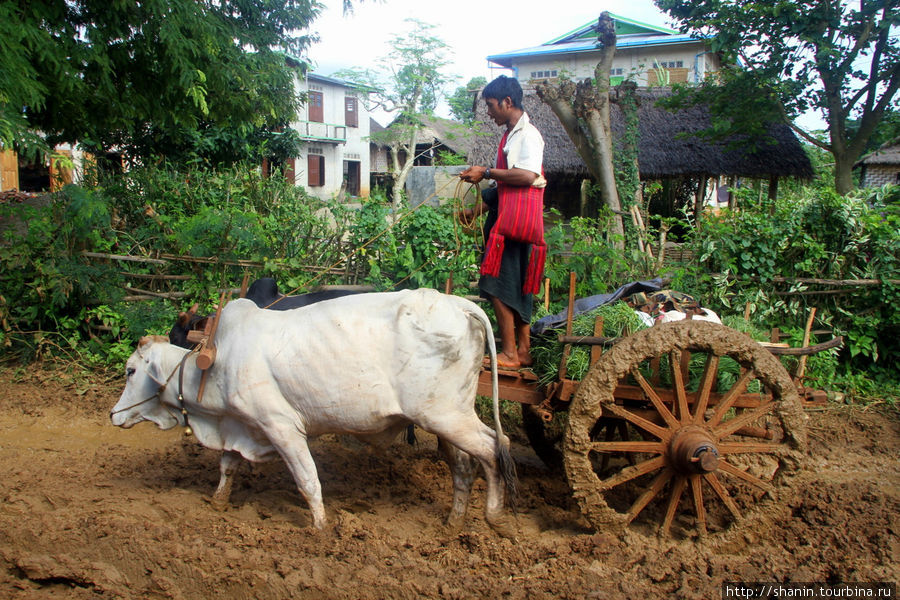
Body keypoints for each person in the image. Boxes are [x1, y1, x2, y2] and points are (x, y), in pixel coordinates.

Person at [458, 75, 546, 370]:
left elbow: (526, 176)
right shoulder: (511, 135)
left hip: (512, 227)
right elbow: (504, 189)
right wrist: (476, 211)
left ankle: (509, 353)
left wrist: (485, 172)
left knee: (495, 285)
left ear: (508, 102)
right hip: (510, 220)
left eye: (492, 105)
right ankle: (522, 351)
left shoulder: (528, 135)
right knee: (517, 287)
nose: (489, 112)